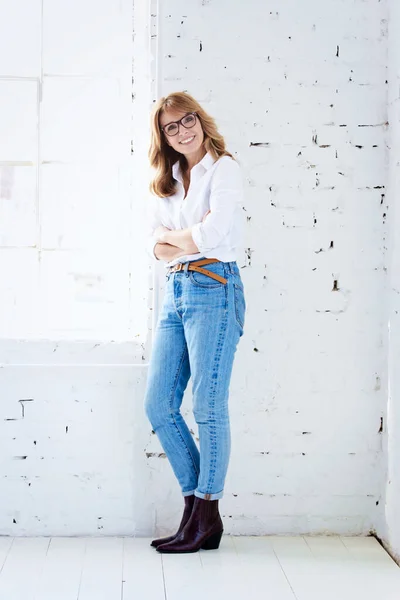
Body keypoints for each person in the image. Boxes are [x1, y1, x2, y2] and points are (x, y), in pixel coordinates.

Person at [144, 91, 246, 554]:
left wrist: (180, 239)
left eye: (188, 120)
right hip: (176, 291)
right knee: (160, 406)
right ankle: (195, 510)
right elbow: (156, 246)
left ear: (201, 120)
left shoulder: (224, 169)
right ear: (163, 137)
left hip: (215, 289)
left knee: (207, 406)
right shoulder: (171, 179)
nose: (183, 130)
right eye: (171, 127)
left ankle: (207, 512)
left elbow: (215, 234)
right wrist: (188, 238)